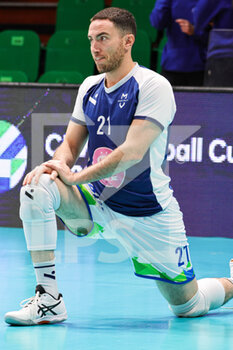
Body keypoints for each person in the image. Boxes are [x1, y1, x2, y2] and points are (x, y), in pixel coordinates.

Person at [4, 7, 233, 326]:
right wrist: (56, 165)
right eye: (90, 40)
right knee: (36, 187)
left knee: (188, 306)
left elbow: (132, 151)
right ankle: (49, 298)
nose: (95, 47)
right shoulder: (89, 87)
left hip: (149, 214)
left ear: (128, 41)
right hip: (96, 203)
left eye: (103, 38)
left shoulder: (153, 86)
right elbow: (70, 145)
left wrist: (75, 175)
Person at [150, 0, 208, 86]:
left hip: (200, 66)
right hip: (172, 65)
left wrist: (195, 31)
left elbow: (218, 33)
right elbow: (157, 22)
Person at [176, 0, 233, 87]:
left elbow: (198, 19)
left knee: (219, 99)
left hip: (224, 55)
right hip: (224, 56)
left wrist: (210, 21)